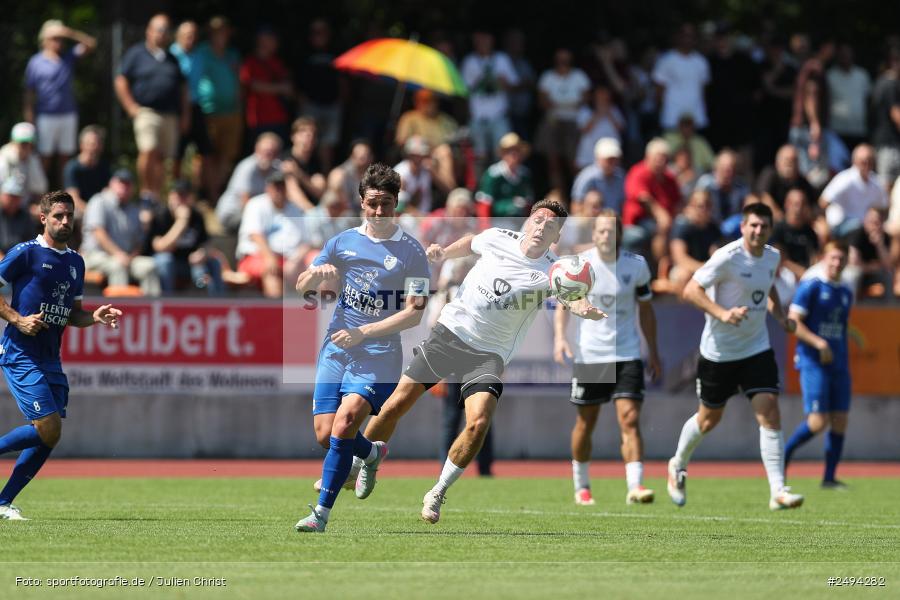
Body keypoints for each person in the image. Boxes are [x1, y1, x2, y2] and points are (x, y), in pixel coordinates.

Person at [355, 200, 607, 524]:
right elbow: (470, 243)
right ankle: (360, 463)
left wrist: (582, 307)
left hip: (488, 354)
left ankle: (437, 492)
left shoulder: (552, 269)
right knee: (394, 405)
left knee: (478, 422)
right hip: (449, 335)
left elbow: (570, 293)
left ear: (556, 237)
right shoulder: (497, 237)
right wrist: (444, 253)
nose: (542, 227)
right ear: (528, 222)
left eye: (551, 226)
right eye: (539, 219)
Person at [293, 163, 431, 533]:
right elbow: (303, 287)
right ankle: (371, 452)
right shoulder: (341, 243)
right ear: (361, 203)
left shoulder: (411, 252)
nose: (379, 211)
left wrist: (365, 331)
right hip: (336, 349)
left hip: (380, 355)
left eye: (387, 203)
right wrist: (313, 277)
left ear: (397, 204)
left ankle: (320, 515)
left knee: (346, 421)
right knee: (326, 435)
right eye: (373, 203)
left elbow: (415, 314)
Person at [667, 203, 803, 511]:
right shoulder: (726, 257)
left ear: (769, 230)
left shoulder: (772, 256)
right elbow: (691, 290)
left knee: (768, 409)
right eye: (752, 225)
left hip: (756, 347)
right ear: (743, 227)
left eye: (763, 227)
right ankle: (678, 464)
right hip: (718, 353)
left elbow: (767, 287)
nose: (757, 231)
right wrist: (722, 314)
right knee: (708, 419)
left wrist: (780, 316)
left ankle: (778, 490)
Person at [0, 190, 121, 521]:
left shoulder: (76, 262)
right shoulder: (25, 253)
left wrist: (94, 318)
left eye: (69, 216)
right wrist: (18, 320)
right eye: (58, 216)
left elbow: (73, 314)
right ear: (44, 218)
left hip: (51, 357)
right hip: (20, 352)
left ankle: (3, 502)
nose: (65, 221)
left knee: (49, 436)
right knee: (49, 428)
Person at [553, 210, 661, 506]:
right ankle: (582, 486)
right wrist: (560, 338)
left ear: (620, 235)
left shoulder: (636, 266)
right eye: (600, 231)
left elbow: (647, 309)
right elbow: (564, 305)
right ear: (594, 234)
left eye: (611, 231)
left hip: (627, 352)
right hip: (591, 355)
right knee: (586, 422)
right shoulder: (581, 265)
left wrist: (652, 349)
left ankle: (636, 486)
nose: (605, 235)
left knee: (630, 418)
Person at [783, 241, 853, 488]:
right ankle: (783, 457)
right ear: (824, 258)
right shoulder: (811, 287)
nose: (837, 263)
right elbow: (793, 322)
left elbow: (842, 329)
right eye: (833, 258)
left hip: (839, 364)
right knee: (817, 422)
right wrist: (818, 343)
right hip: (813, 362)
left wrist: (839, 352)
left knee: (840, 419)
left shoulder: (846, 292)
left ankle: (829, 478)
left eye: (841, 259)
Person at [115, 14, 190, 199]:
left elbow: (183, 89)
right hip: (146, 112)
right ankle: (146, 193)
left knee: (164, 159)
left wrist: (185, 114)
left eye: (166, 30)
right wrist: (130, 106)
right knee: (148, 151)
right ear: (149, 31)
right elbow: (120, 80)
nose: (163, 34)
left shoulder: (172, 58)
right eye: (159, 29)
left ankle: (157, 196)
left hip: (170, 114)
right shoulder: (136, 53)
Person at [24, 20, 96, 186]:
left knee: (65, 157)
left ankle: (64, 194)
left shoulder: (68, 57)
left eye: (60, 38)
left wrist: (69, 32)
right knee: (44, 157)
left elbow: (91, 44)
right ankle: (41, 194)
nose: (59, 42)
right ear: (45, 40)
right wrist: (30, 119)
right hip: (45, 115)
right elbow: (29, 93)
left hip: (68, 114)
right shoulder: (35, 62)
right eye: (55, 38)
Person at [80, 169, 161, 296]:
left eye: (128, 184)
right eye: (120, 183)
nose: (124, 187)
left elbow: (139, 242)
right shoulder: (99, 201)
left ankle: (153, 311)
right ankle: (118, 313)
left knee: (150, 266)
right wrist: (118, 254)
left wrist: (131, 256)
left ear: (133, 188)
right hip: (95, 256)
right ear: (112, 184)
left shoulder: (134, 209)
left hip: (126, 257)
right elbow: (99, 233)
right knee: (118, 267)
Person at [235, 171, 311, 298]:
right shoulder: (256, 204)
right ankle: (277, 316)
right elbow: (255, 235)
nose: (279, 190)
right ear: (268, 188)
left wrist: (295, 261)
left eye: (282, 186)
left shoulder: (295, 209)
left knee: (319, 270)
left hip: (289, 259)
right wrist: (269, 258)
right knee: (271, 270)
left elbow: (307, 241)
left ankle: (321, 315)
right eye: (275, 187)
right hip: (256, 256)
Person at [194, 17, 242, 202]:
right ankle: (205, 193)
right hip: (209, 111)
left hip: (232, 111)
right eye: (217, 31)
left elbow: (238, 79)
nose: (220, 34)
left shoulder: (232, 54)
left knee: (227, 155)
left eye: (224, 30)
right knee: (207, 155)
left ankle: (215, 191)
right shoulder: (203, 53)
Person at [148, 179, 223, 295]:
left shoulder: (197, 215)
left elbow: (207, 243)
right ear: (170, 196)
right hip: (171, 263)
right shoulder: (162, 214)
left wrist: (203, 253)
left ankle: (217, 304)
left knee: (214, 263)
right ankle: (167, 302)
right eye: (177, 195)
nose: (180, 200)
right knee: (165, 261)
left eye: (184, 196)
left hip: (191, 264)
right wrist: (181, 222)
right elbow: (159, 247)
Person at [461, 30, 520, 169]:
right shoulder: (469, 61)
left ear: (492, 40)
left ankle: (499, 189)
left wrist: (503, 84)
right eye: (479, 40)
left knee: (502, 155)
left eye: (485, 39)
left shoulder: (502, 59)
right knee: (479, 157)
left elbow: (515, 86)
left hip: (499, 116)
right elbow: (463, 92)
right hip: (477, 117)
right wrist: (480, 81)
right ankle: (480, 188)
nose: (483, 43)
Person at [535, 48, 591, 190]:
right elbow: (542, 102)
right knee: (553, 163)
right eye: (560, 59)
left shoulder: (579, 76)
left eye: (566, 60)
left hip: (573, 123)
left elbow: (586, 98)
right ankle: (558, 199)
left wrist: (557, 103)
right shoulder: (547, 77)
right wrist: (570, 104)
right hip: (553, 122)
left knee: (574, 162)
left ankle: (578, 196)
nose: (563, 62)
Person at [169, 20, 213, 193]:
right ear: (178, 36)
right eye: (187, 35)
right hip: (177, 109)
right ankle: (175, 190)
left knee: (205, 152)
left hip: (197, 107)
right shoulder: (171, 55)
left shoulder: (200, 55)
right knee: (177, 154)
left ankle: (201, 191)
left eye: (194, 35)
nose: (191, 38)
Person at [295, 19, 344, 172]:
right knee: (306, 140)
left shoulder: (335, 51)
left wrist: (343, 99)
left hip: (332, 104)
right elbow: (296, 78)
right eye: (316, 32)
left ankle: (325, 173)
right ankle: (303, 172)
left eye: (322, 32)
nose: (319, 36)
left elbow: (342, 78)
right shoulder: (303, 52)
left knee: (327, 144)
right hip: (310, 104)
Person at [622, 138, 681, 260]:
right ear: (647, 157)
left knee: (683, 227)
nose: (660, 161)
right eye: (657, 158)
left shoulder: (670, 177)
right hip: (639, 221)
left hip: (668, 221)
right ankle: (660, 269)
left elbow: (678, 201)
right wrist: (661, 215)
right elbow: (643, 197)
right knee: (658, 228)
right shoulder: (638, 172)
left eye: (664, 158)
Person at [215, 132, 282, 234]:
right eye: (264, 151)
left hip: (259, 213)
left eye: (271, 152)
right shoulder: (247, 167)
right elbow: (245, 201)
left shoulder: (277, 169)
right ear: (256, 150)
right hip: (234, 214)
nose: (267, 156)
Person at [819, 144, 888, 239]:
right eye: (863, 161)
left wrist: (876, 216)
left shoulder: (876, 182)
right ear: (854, 161)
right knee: (858, 228)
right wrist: (825, 224)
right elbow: (823, 202)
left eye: (870, 161)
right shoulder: (844, 179)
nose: (867, 164)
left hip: (864, 227)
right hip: (840, 227)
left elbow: (884, 207)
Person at [240, 27, 293, 146]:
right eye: (271, 39)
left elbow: (289, 89)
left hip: (280, 118)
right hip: (258, 120)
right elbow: (252, 85)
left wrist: (277, 88)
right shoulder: (250, 62)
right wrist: (279, 88)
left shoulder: (278, 62)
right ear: (260, 41)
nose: (275, 43)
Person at [652, 24, 710, 132]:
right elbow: (659, 91)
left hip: (695, 118)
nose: (687, 39)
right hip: (672, 118)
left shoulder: (701, 62)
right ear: (677, 37)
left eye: (691, 36)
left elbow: (703, 90)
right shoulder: (666, 60)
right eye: (684, 35)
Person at [665, 189, 721, 294]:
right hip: (687, 268)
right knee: (683, 274)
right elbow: (680, 258)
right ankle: (685, 309)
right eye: (700, 206)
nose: (704, 209)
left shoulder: (713, 228)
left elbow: (716, 254)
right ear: (690, 207)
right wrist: (703, 268)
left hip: (706, 268)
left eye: (708, 205)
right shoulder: (681, 226)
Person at [475, 133, 534, 227]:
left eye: (517, 151)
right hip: (498, 224)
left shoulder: (525, 174)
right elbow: (484, 205)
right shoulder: (493, 174)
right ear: (503, 154)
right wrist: (485, 229)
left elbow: (529, 205)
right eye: (509, 151)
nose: (514, 154)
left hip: (520, 224)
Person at [769, 188, 820, 280]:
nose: (799, 209)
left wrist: (810, 274)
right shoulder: (778, 229)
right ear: (787, 204)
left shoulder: (810, 232)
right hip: (783, 276)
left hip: (806, 276)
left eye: (803, 204)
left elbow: (814, 259)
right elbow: (780, 259)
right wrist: (804, 274)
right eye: (796, 204)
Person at [754, 144, 815, 219]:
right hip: (771, 219)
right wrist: (781, 220)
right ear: (777, 162)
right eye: (786, 160)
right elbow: (764, 197)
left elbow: (812, 205)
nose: (789, 164)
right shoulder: (769, 174)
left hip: (796, 222)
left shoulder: (802, 182)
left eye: (793, 160)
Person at [62, 126, 110, 218]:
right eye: (90, 144)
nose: (94, 147)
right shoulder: (72, 168)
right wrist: (93, 213)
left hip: (100, 210)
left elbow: (108, 192)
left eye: (97, 144)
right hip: (81, 211)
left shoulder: (104, 166)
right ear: (81, 145)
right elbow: (73, 199)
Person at [574, 87, 625, 171]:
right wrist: (598, 114)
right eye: (600, 95)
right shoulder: (586, 110)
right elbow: (584, 129)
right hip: (589, 151)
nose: (603, 97)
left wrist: (608, 114)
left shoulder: (614, 109)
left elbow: (621, 128)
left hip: (610, 151)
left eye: (605, 94)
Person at [570, 137, 625, 214]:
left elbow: (623, 203)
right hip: (592, 223)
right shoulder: (586, 177)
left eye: (615, 158)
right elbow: (576, 205)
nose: (612, 162)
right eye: (609, 159)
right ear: (598, 158)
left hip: (615, 221)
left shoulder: (620, 176)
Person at [695, 149, 750, 224]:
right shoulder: (705, 184)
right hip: (709, 226)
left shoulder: (741, 186)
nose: (728, 174)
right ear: (716, 168)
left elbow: (749, 210)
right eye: (725, 169)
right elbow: (696, 207)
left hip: (734, 228)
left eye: (732, 169)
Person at [282, 117, 326, 208]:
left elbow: (320, 191)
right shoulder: (286, 159)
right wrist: (312, 213)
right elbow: (293, 193)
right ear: (293, 137)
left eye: (313, 133)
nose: (309, 135)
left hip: (314, 209)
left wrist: (299, 174)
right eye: (303, 131)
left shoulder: (315, 161)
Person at [0, 123, 48, 204]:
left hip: (25, 208)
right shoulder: (3, 158)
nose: (25, 146)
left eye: (28, 143)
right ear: (13, 141)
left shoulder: (33, 160)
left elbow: (41, 190)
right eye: (22, 143)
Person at [0, 178, 37, 257]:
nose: (13, 200)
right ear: (2, 196)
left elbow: (30, 242)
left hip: (20, 259)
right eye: (10, 196)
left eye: (16, 197)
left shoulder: (26, 217)